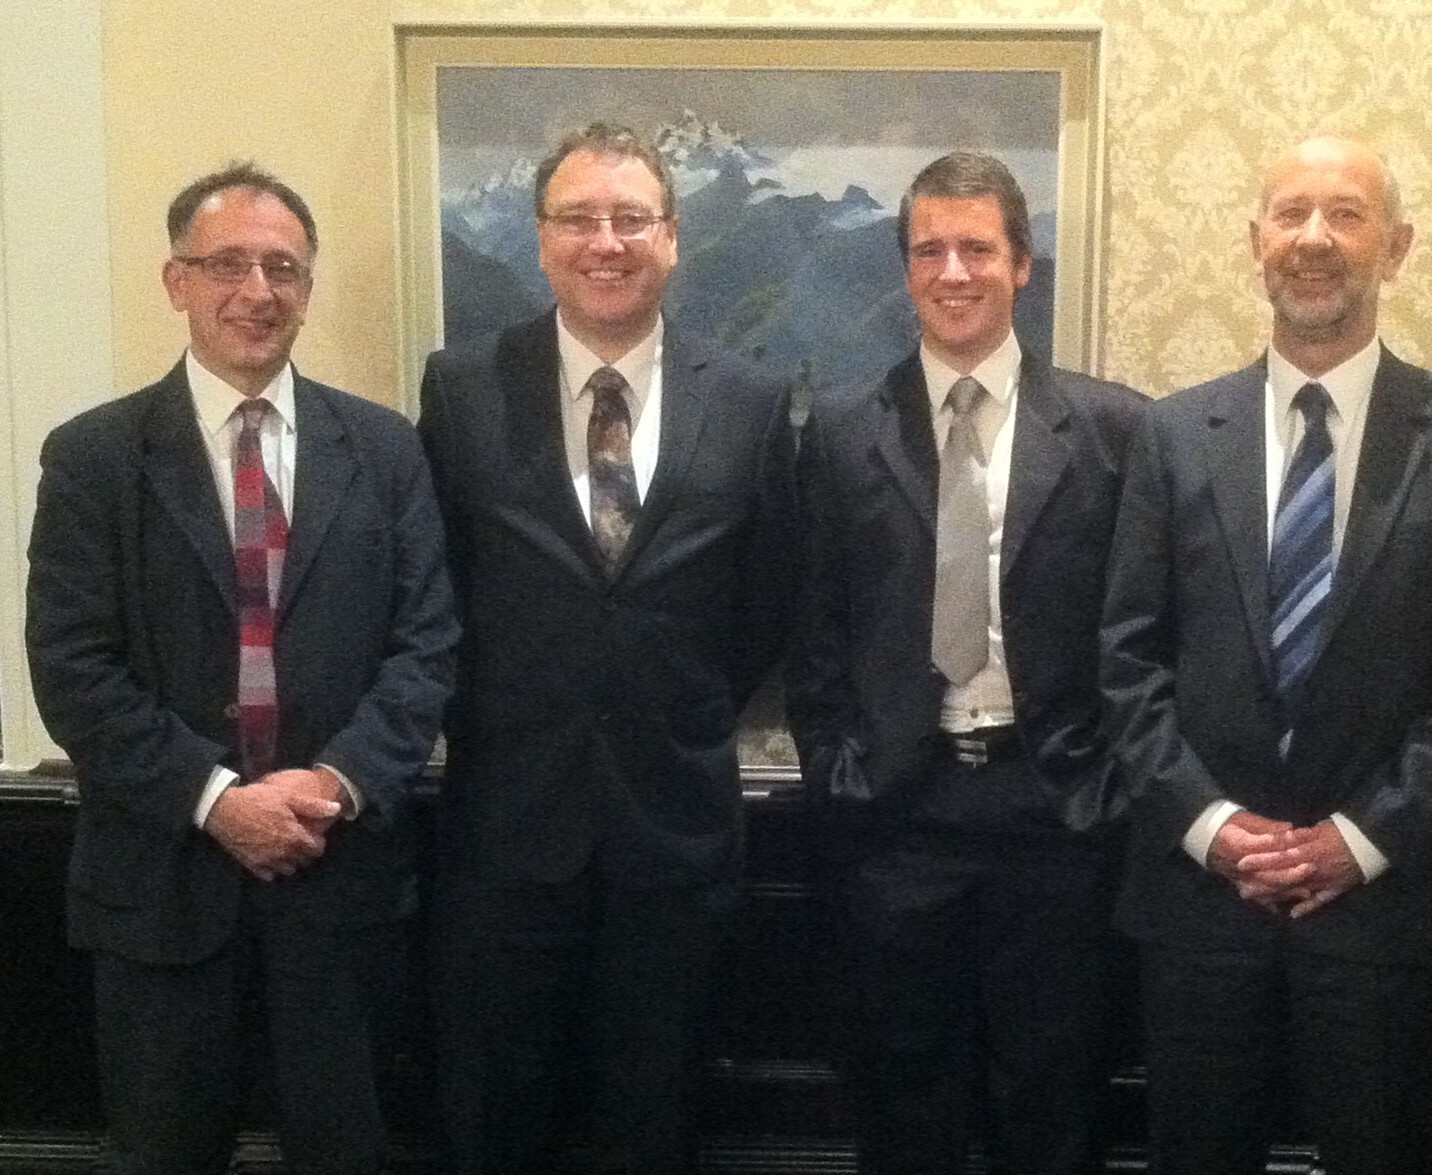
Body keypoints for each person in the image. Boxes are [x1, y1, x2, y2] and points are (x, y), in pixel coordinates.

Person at [1101, 135, 1432, 1175]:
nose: (1312, 239)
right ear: (1253, 242)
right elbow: (1125, 660)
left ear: (1396, 246)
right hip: (1201, 900)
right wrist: (1214, 827)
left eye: (1343, 214)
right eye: (1290, 214)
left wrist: (1357, 836)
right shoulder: (1170, 433)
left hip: (1381, 907)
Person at [24, 162, 458, 1175]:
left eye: (283, 267)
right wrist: (219, 799)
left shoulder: (387, 451)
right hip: (161, 889)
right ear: (176, 281)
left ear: (308, 286)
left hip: (338, 876)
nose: (257, 290)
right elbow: (73, 669)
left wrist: (334, 781)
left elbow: (427, 641)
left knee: (351, 1151)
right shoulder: (92, 457)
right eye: (227, 264)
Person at [417, 123, 797, 1175]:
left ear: (673, 239)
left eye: (631, 219)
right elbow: (433, 587)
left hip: (673, 837)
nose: (605, 241)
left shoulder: (752, 402)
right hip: (506, 834)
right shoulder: (460, 388)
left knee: (656, 1124)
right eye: (579, 219)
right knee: (497, 1123)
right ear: (541, 241)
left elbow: (770, 598)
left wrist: (676, 704)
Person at [786, 151, 1146, 1175]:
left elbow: (1140, 629)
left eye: (975, 247)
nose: (952, 270)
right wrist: (837, 772)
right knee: (903, 1095)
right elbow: (813, 627)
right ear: (904, 267)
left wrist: (1108, 784)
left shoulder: (1113, 428)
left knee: (1050, 1094)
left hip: (1056, 817)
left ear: (1020, 263)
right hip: (896, 815)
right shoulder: (845, 428)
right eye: (928, 249)